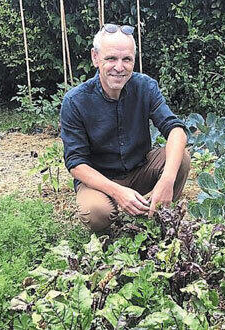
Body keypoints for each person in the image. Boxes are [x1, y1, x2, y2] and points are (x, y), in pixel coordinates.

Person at [60, 23, 190, 232]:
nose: (119, 67)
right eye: (111, 58)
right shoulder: (75, 101)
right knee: (95, 212)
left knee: (180, 159)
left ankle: (158, 214)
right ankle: (110, 235)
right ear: (95, 58)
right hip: (100, 180)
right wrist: (117, 191)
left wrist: (167, 179)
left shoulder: (145, 87)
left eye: (126, 59)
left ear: (133, 61)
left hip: (139, 169)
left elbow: (175, 129)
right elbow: (76, 163)